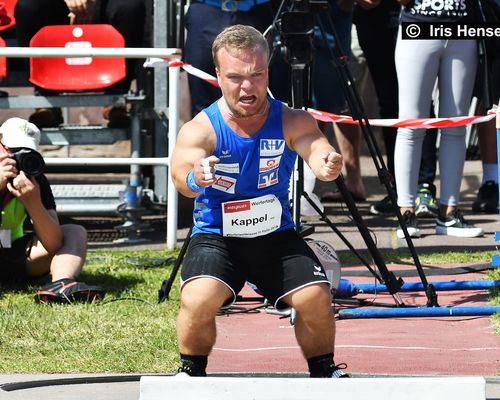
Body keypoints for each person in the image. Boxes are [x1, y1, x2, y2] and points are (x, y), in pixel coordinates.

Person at [170, 25, 348, 378]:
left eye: (257, 75)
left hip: (274, 237)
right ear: (218, 75)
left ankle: (325, 371)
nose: (247, 87)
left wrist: (327, 164)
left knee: (315, 298)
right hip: (217, 237)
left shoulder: (292, 119)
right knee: (198, 299)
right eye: (236, 77)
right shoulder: (200, 128)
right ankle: (190, 371)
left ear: (269, 70)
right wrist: (196, 177)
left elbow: (316, 149)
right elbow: (181, 181)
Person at [394, 0, 484, 238]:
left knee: (455, 126)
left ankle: (449, 212)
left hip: (462, 30)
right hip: (417, 27)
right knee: (410, 125)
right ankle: (405, 211)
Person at [0, 117, 105, 304]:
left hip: (11, 253)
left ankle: (61, 285)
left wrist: (33, 203)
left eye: (26, 152)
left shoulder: (35, 180)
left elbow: (54, 243)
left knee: (74, 232)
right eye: (13, 151)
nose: (19, 158)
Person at [14, 0, 146, 128]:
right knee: (28, 7)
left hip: (103, 6)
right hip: (60, 7)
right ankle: (46, 100)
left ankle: (116, 101)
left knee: (129, 7)